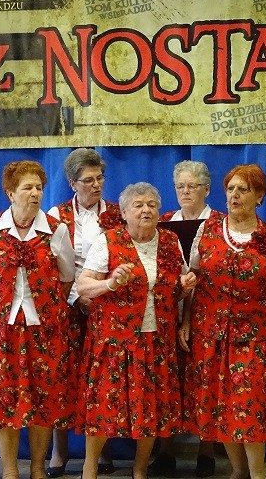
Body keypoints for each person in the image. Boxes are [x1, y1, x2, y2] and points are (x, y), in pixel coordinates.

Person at [182, 164, 266, 479]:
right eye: (230, 189)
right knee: (221, 407)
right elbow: (193, 276)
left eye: (243, 189)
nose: (234, 195)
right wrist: (185, 315)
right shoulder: (207, 230)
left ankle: (257, 473)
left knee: (250, 406)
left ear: (260, 196)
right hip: (210, 336)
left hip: (254, 338)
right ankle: (238, 471)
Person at [76, 183, 198, 479]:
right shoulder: (109, 240)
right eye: (138, 205)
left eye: (152, 205)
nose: (146, 210)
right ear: (124, 212)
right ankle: (89, 468)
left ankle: (140, 469)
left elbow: (179, 285)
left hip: (158, 339)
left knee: (152, 407)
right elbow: (83, 286)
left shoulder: (169, 241)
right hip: (115, 340)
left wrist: (185, 287)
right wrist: (110, 283)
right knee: (104, 404)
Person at [0, 160, 76, 479]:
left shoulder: (56, 230)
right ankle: (9, 469)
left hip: (45, 329)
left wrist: (47, 306)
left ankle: (38, 467)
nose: (35, 193)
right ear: (10, 193)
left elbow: (67, 277)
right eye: (27, 187)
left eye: (39, 187)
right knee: (4, 398)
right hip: (2, 331)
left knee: (44, 397)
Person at [46, 148, 123, 478]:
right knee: (62, 377)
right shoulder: (56, 215)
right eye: (88, 180)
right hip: (67, 307)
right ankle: (59, 451)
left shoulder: (118, 214)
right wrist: (77, 298)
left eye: (100, 178)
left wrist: (100, 295)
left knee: (102, 379)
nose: (96, 185)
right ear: (72, 183)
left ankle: (102, 449)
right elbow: (53, 268)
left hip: (107, 307)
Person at [150, 160, 220, 478]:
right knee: (167, 379)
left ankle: (207, 451)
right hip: (167, 310)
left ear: (207, 189)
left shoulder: (220, 224)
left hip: (209, 310)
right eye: (180, 186)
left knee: (205, 379)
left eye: (192, 186)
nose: (186, 191)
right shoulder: (162, 223)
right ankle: (166, 451)